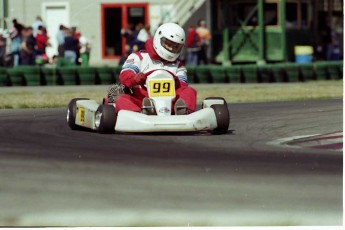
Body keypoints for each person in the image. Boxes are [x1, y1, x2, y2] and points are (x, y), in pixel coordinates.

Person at [115, 22, 197, 115]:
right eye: (168, 44)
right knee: (121, 99)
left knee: (189, 91)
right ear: (158, 39)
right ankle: (141, 113)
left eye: (175, 46)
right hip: (142, 102)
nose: (171, 49)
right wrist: (136, 78)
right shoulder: (139, 57)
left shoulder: (179, 66)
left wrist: (176, 81)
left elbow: (183, 86)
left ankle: (183, 111)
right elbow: (125, 75)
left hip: (171, 104)